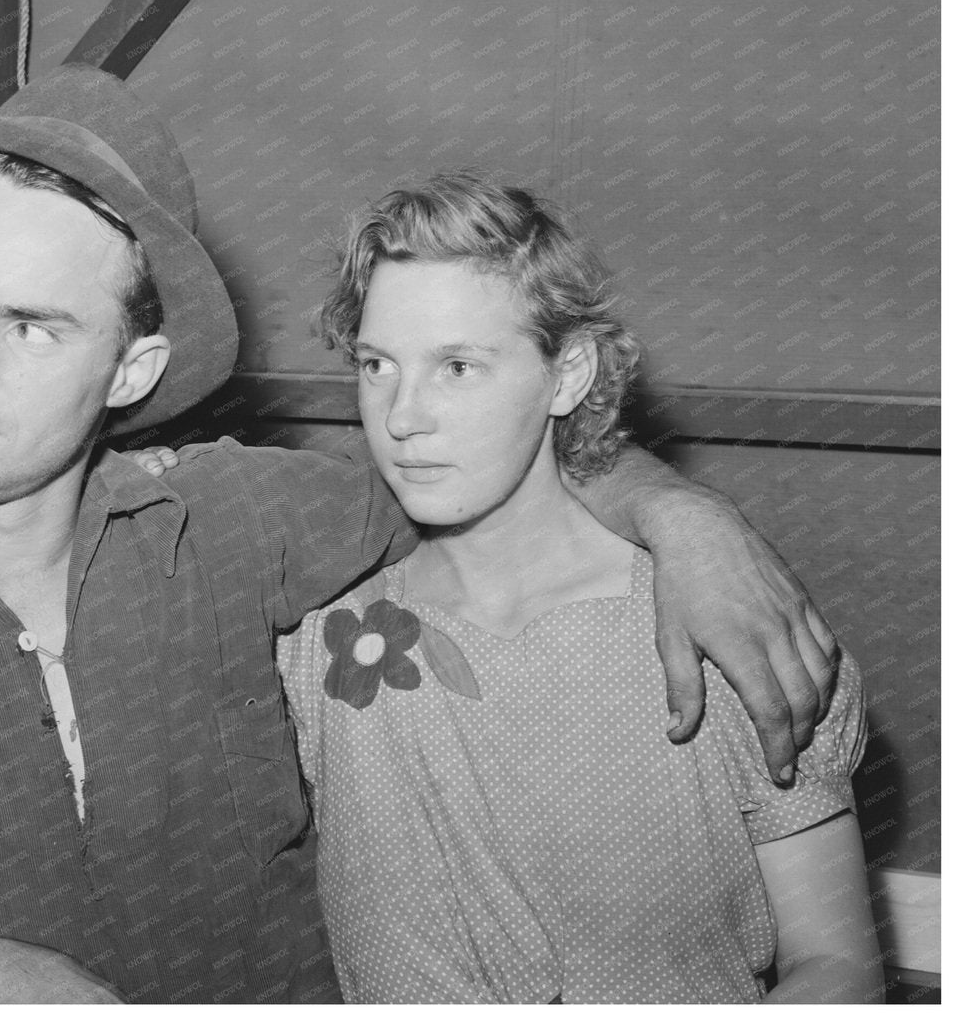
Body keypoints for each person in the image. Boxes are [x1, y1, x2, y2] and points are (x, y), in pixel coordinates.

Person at [0, 66, 839, 1003]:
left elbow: (499, 473)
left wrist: (685, 514)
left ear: (131, 368)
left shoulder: (242, 516)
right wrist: (3, 988)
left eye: (32, 326)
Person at [266, 171, 879, 1002]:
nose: (403, 415)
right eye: (378, 365)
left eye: (458, 367)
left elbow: (837, 969)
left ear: (568, 374)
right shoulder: (318, 648)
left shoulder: (721, 630)